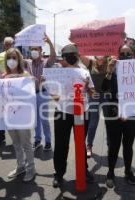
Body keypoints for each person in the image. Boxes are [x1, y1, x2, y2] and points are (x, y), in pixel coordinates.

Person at [48, 44, 95, 188]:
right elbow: (54, 94)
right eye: (67, 55)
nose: (71, 57)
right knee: (61, 144)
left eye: (73, 55)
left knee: (80, 142)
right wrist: (51, 90)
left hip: (82, 112)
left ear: (77, 56)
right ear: (64, 58)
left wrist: (88, 89)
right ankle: (59, 173)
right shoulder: (58, 73)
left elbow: (94, 93)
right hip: (62, 112)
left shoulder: (84, 71)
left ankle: (83, 170)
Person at [102, 44, 135, 188]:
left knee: (128, 145)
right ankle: (111, 172)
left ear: (133, 55)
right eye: (122, 54)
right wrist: (109, 71)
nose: (125, 56)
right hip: (114, 112)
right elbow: (104, 88)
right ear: (118, 55)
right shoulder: (113, 69)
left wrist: (129, 110)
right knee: (114, 144)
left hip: (132, 113)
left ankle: (128, 171)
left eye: (128, 53)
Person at [2, 48, 36, 182]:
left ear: (19, 60)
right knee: (16, 143)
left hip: (23, 116)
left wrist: (32, 81)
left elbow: (31, 93)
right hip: (9, 116)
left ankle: (31, 168)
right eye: (9, 57)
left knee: (26, 143)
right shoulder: (3, 76)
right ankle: (20, 166)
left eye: (14, 57)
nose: (11, 60)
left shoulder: (25, 74)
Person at [25, 34, 56, 151]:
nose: (34, 51)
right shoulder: (27, 63)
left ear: (41, 50)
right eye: (32, 49)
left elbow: (53, 57)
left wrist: (50, 43)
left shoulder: (45, 63)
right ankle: (37, 140)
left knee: (44, 119)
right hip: (32, 94)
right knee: (36, 119)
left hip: (43, 93)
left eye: (36, 49)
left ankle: (48, 141)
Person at [80, 55, 109, 158]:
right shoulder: (90, 63)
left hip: (107, 96)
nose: (101, 56)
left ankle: (110, 145)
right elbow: (80, 55)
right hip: (94, 96)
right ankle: (89, 145)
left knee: (109, 123)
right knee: (93, 123)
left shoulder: (110, 62)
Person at [0, 37, 14, 146]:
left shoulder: (17, 55)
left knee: (13, 112)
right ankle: (0, 137)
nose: (7, 46)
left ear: (12, 44)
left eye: (9, 44)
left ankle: (16, 137)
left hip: (13, 88)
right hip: (1, 88)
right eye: (5, 44)